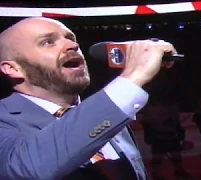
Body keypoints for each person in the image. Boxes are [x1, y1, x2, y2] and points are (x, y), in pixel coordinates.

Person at [0, 17, 177, 180]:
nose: (72, 45)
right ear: (13, 69)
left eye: (71, 38)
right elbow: (24, 167)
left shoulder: (109, 117)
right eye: (48, 42)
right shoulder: (112, 108)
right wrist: (134, 75)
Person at [141, 100, 193, 180]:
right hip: (160, 137)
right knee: (158, 157)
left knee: (175, 155)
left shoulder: (171, 109)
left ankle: (177, 171)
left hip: (170, 136)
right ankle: (156, 173)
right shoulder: (154, 110)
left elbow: (176, 124)